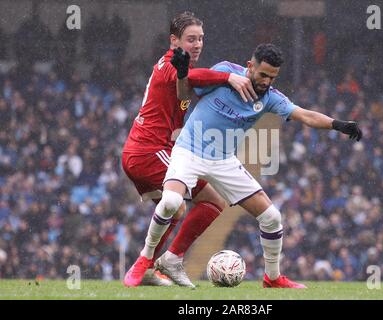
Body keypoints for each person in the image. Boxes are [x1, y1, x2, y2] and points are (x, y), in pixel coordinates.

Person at [144, 43, 362, 288]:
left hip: (223, 160)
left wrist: (338, 124)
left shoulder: (270, 98)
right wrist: (186, 73)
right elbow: (184, 94)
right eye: (263, 74)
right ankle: (145, 259)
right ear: (250, 66)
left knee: (271, 217)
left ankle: (273, 278)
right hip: (188, 150)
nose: (267, 81)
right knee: (171, 202)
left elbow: (305, 115)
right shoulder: (224, 71)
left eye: (272, 77)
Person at [122, 12, 257, 288]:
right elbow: (193, 80)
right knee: (206, 202)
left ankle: (156, 266)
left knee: (187, 208)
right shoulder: (172, 64)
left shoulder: (179, 68)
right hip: (147, 151)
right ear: (174, 41)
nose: (197, 45)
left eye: (201, 39)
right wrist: (229, 77)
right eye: (190, 39)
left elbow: (184, 94)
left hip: (150, 150)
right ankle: (148, 263)